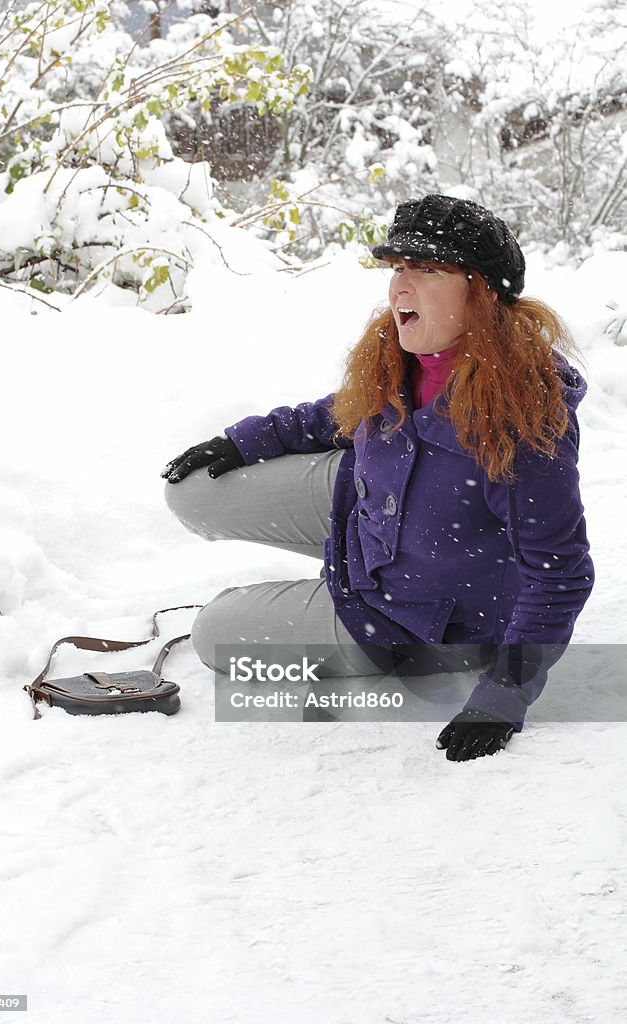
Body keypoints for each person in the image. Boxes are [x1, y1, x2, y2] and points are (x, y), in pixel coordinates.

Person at [161, 193, 594, 762]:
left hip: (412, 618)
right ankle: (348, 557)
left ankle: (341, 591)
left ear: (482, 292)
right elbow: (344, 412)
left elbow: (561, 575)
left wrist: (502, 697)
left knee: (212, 633)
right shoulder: (404, 354)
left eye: (428, 269)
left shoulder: (520, 425)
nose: (400, 288)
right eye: (397, 268)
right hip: (371, 499)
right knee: (191, 491)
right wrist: (247, 439)